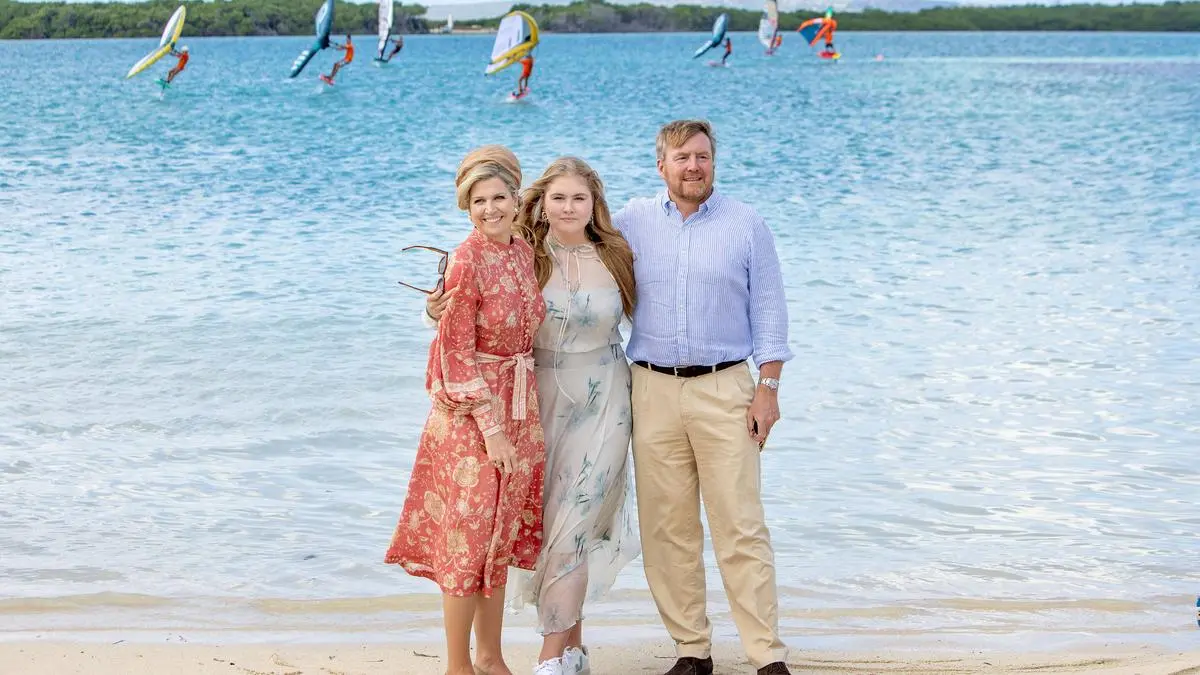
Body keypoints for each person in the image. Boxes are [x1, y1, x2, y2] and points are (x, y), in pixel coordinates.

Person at [425, 157, 642, 675]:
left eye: (579, 198)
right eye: (559, 197)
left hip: (606, 398)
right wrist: (435, 310)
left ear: (595, 204)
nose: (568, 207)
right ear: (540, 202)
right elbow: (471, 308)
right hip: (534, 402)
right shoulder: (525, 253)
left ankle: (549, 660)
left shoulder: (618, 253)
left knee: (579, 517)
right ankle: (571, 649)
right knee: (546, 525)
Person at [614, 120, 792, 675]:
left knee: (740, 524)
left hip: (726, 388)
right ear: (660, 164)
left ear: (714, 161)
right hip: (651, 389)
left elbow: (770, 312)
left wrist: (768, 389)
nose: (694, 166)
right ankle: (692, 650)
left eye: (703, 156)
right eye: (682, 157)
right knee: (667, 528)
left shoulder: (746, 225)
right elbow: (569, 250)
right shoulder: (630, 223)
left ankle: (767, 656)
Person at [385, 145, 548, 675]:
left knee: (496, 538)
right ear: (465, 204)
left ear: (517, 199)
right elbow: (455, 352)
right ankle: (458, 667)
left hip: (520, 407)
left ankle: (492, 658)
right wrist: (494, 430)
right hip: (470, 417)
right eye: (478, 200)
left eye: (499, 197)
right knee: (466, 538)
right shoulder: (466, 258)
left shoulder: (522, 251)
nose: (490, 209)